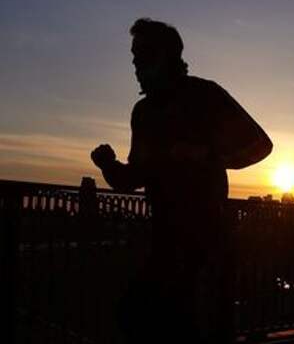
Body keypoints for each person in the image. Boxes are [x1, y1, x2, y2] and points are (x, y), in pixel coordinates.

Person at [91, 18, 272, 342]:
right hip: (163, 243)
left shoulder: (206, 96)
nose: (135, 63)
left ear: (166, 56)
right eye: (134, 56)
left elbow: (260, 146)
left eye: (143, 54)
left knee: (195, 327)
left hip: (207, 245)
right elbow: (135, 177)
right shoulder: (143, 113)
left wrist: (205, 153)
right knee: (137, 319)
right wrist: (108, 165)